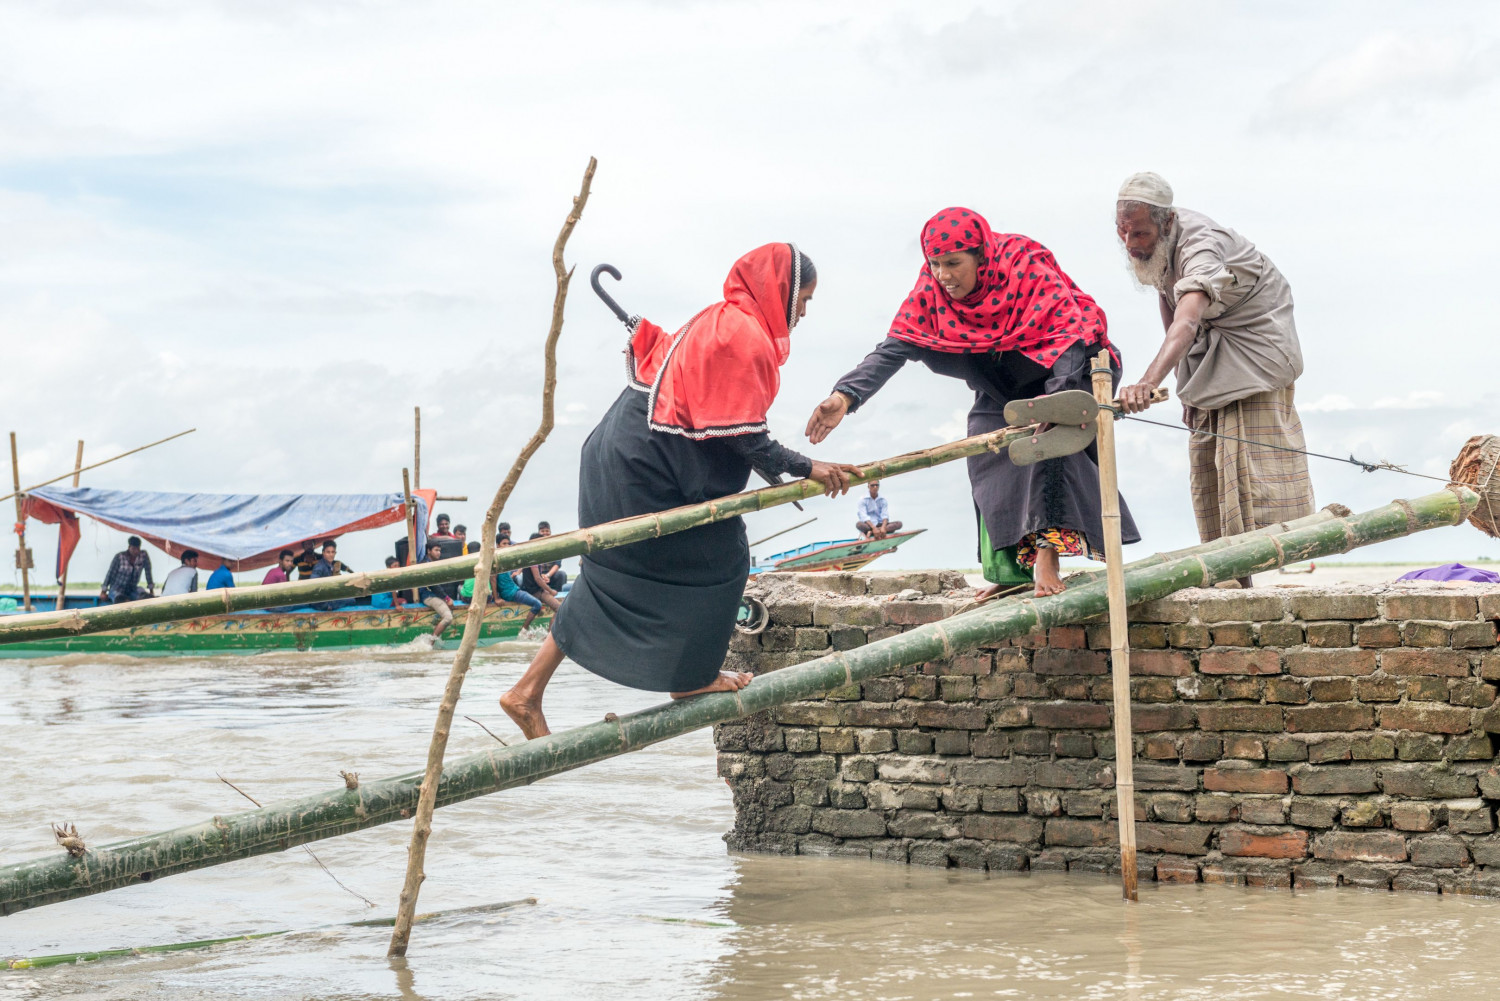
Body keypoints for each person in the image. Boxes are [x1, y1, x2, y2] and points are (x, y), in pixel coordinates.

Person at [501, 243, 858, 739]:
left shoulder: (716, 320)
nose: (802, 312)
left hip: (615, 449)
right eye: (804, 299)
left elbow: (722, 424)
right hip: (644, 461)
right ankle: (693, 679)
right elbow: (745, 435)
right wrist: (807, 466)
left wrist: (794, 468)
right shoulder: (743, 333)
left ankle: (526, 693)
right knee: (725, 557)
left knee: (611, 567)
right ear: (783, 288)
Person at [807, 208, 1138, 599]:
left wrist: (1055, 401)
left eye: (953, 263)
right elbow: (894, 348)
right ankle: (1008, 570)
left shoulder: (1024, 264)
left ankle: (1047, 557)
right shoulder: (930, 291)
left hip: (1071, 363)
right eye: (935, 264)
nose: (943, 275)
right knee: (985, 446)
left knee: (1045, 444)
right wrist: (845, 396)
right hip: (1003, 375)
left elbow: (1068, 334)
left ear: (982, 257)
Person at [1114, 172, 1314, 584]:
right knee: (1208, 463)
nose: (1131, 243)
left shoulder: (1202, 243)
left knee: (1249, 467)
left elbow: (1187, 322)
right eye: (1123, 232)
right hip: (1208, 350)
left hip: (1256, 343)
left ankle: (1266, 575)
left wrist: (1148, 383)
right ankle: (1228, 579)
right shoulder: (1159, 246)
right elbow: (1168, 299)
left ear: (1166, 223)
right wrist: (1185, 384)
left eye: (1140, 233)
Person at [417, 543, 455, 637]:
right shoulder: (427, 565)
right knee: (448, 617)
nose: (439, 553)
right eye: (436, 550)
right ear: (429, 551)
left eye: (439, 550)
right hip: (428, 595)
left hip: (432, 595)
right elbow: (434, 586)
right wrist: (447, 598)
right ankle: (431, 643)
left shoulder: (430, 563)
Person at [100, 536, 154, 603]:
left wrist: (151, 591)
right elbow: (110, 574)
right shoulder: (120, 557)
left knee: (147, 598)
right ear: (129, 547)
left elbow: (148, 573)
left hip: (132, 589)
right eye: (133, 549)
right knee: (121, 600)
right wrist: (103, 591)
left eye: (138, 548)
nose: (136, 551)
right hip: (117, 588)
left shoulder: (143, 556)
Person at [308, 540, 356, 611]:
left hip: (329, 596)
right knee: (352, 600)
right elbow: (312, 583)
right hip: (321, 602)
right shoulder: (319, 567)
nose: (331, 554)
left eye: (333, 552)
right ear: (323, 553)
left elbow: (347, 570)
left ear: (335, 553)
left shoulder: (332, 564)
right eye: (328, 552)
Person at [519, 532, 567, 601]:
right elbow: (537, 578)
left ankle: (554, 595)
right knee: (556, 606)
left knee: (561, 574)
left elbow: (557, 565)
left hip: (546, 576)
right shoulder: (532, 558)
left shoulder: (553, 548)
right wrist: (550, 591)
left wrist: (547, 576)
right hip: (535, 589)